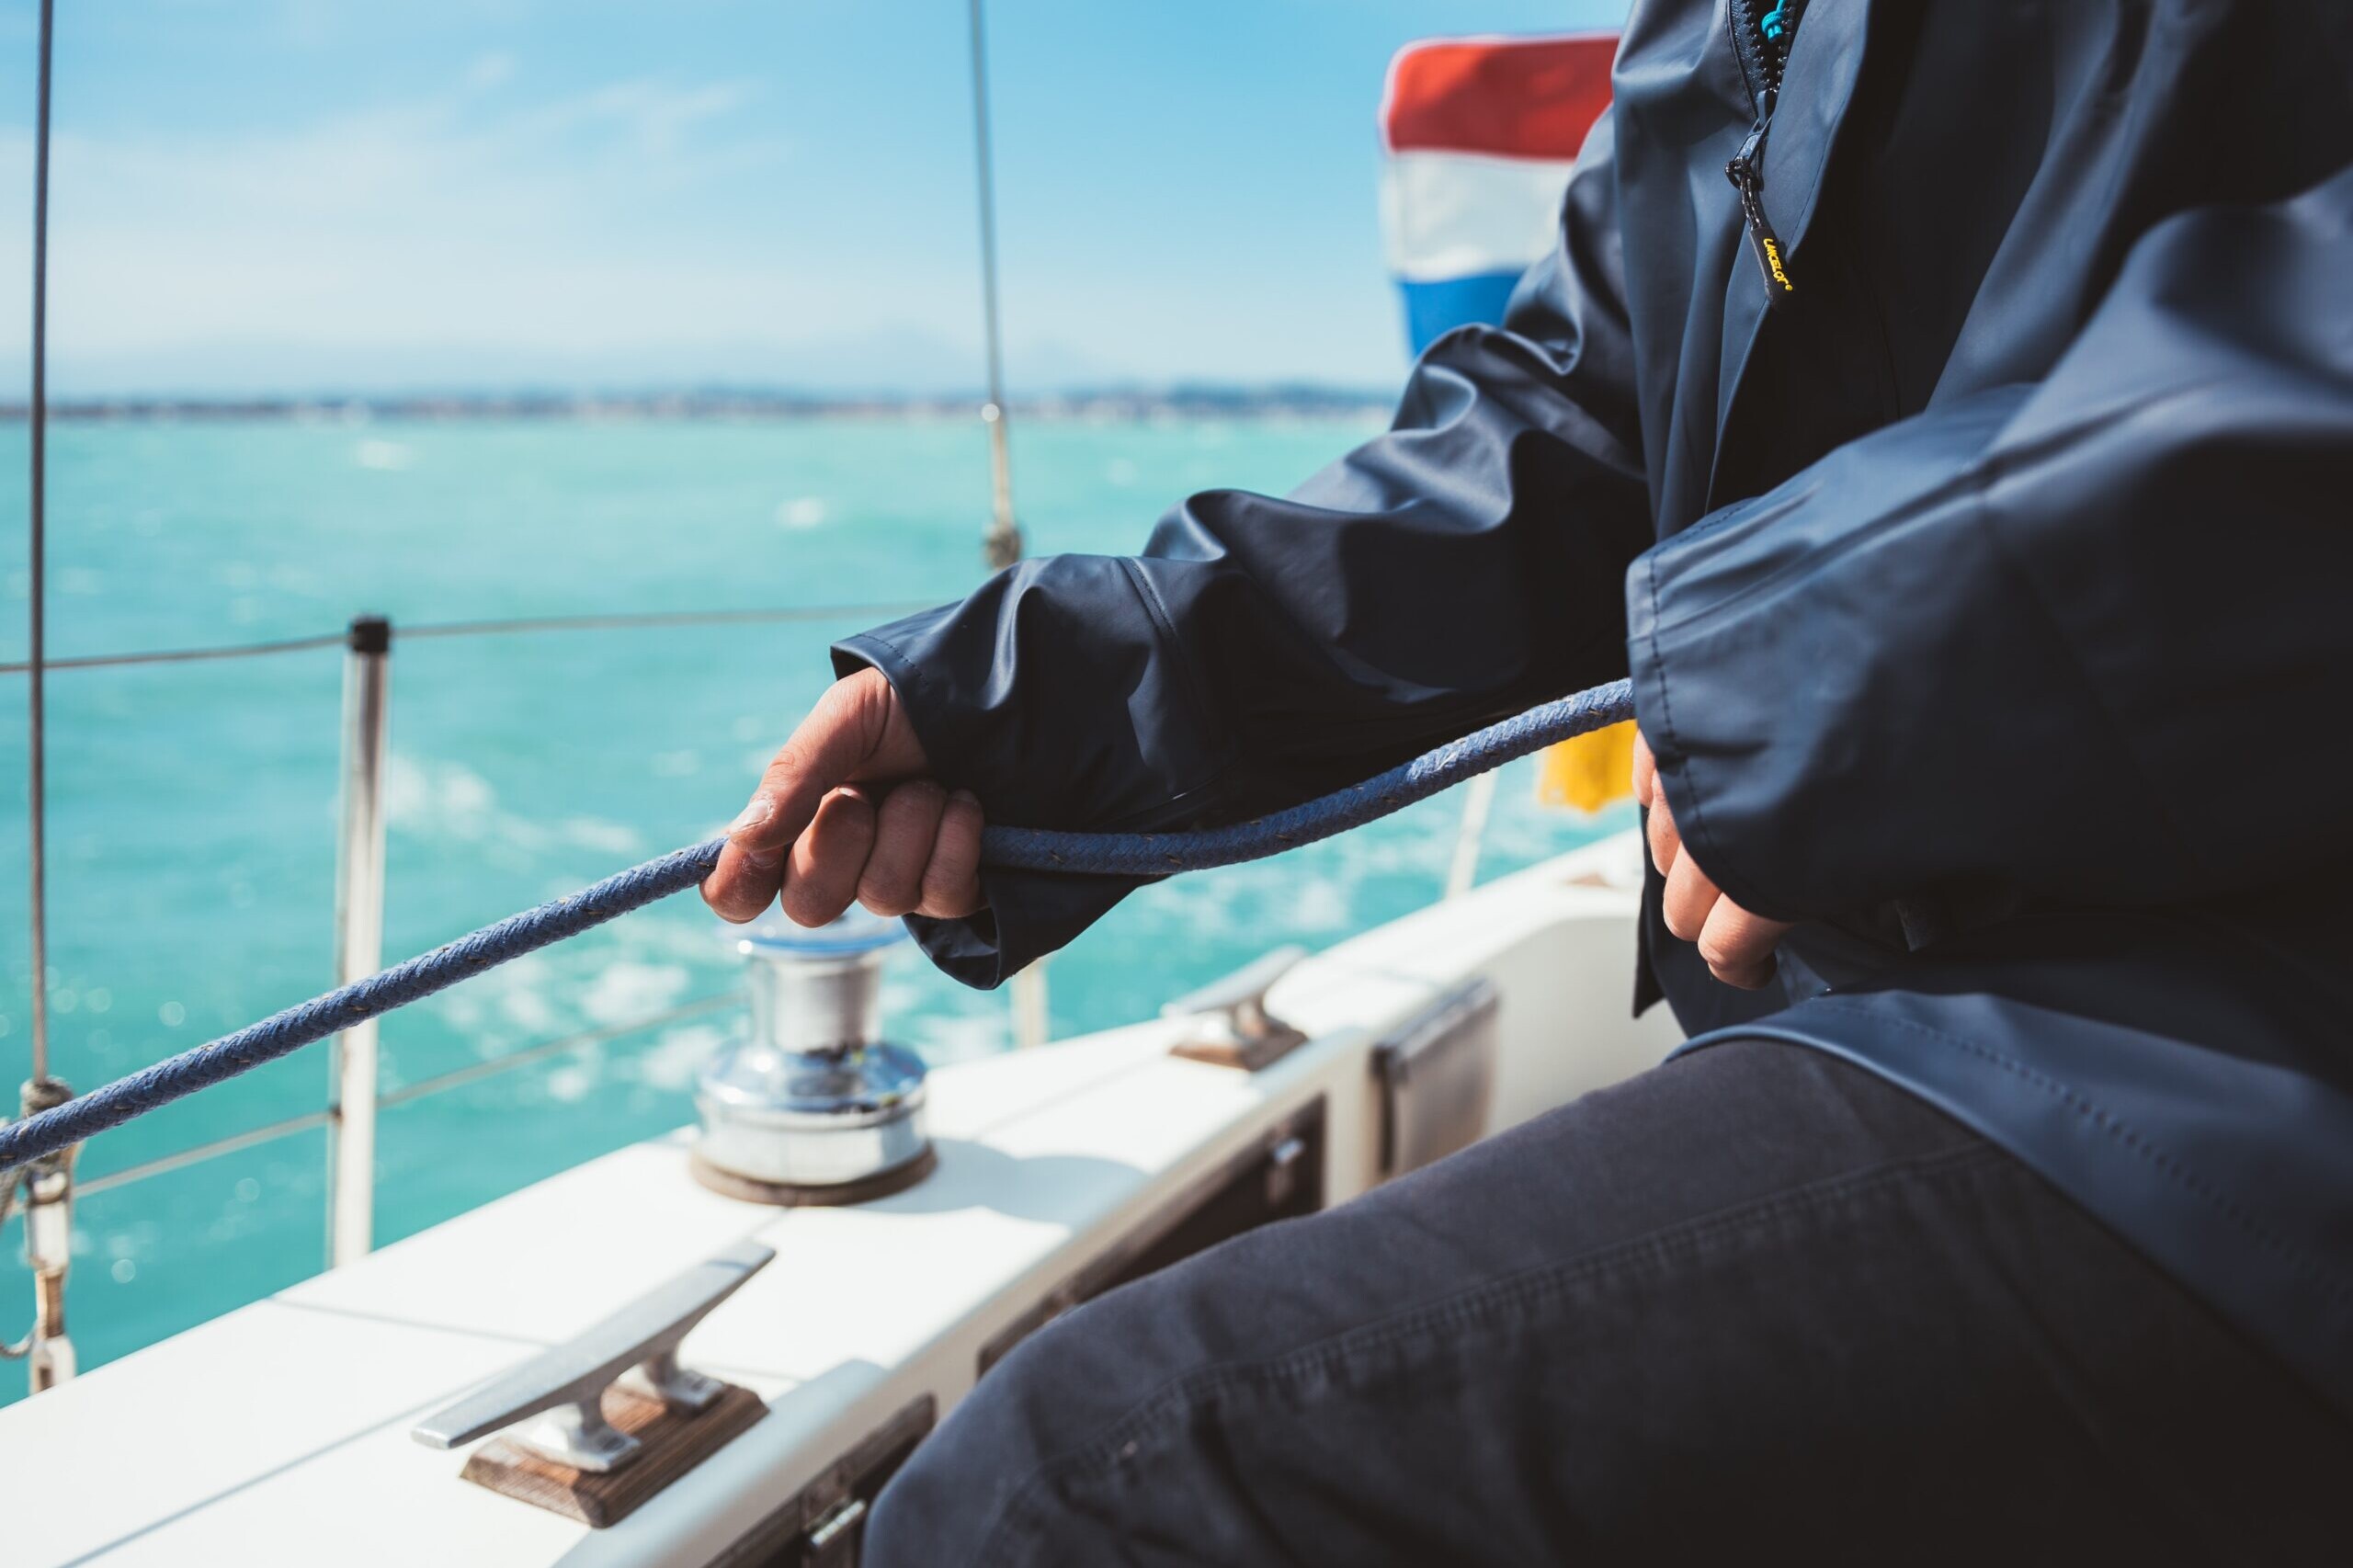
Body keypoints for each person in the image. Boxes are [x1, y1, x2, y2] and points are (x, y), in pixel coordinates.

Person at [703, 1, 2353, 1559]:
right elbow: (1581, 425)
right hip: (1894, 1012)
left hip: (2234, 1035)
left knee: (1070, 1495)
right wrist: (1032, 699)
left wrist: (1848, 663)